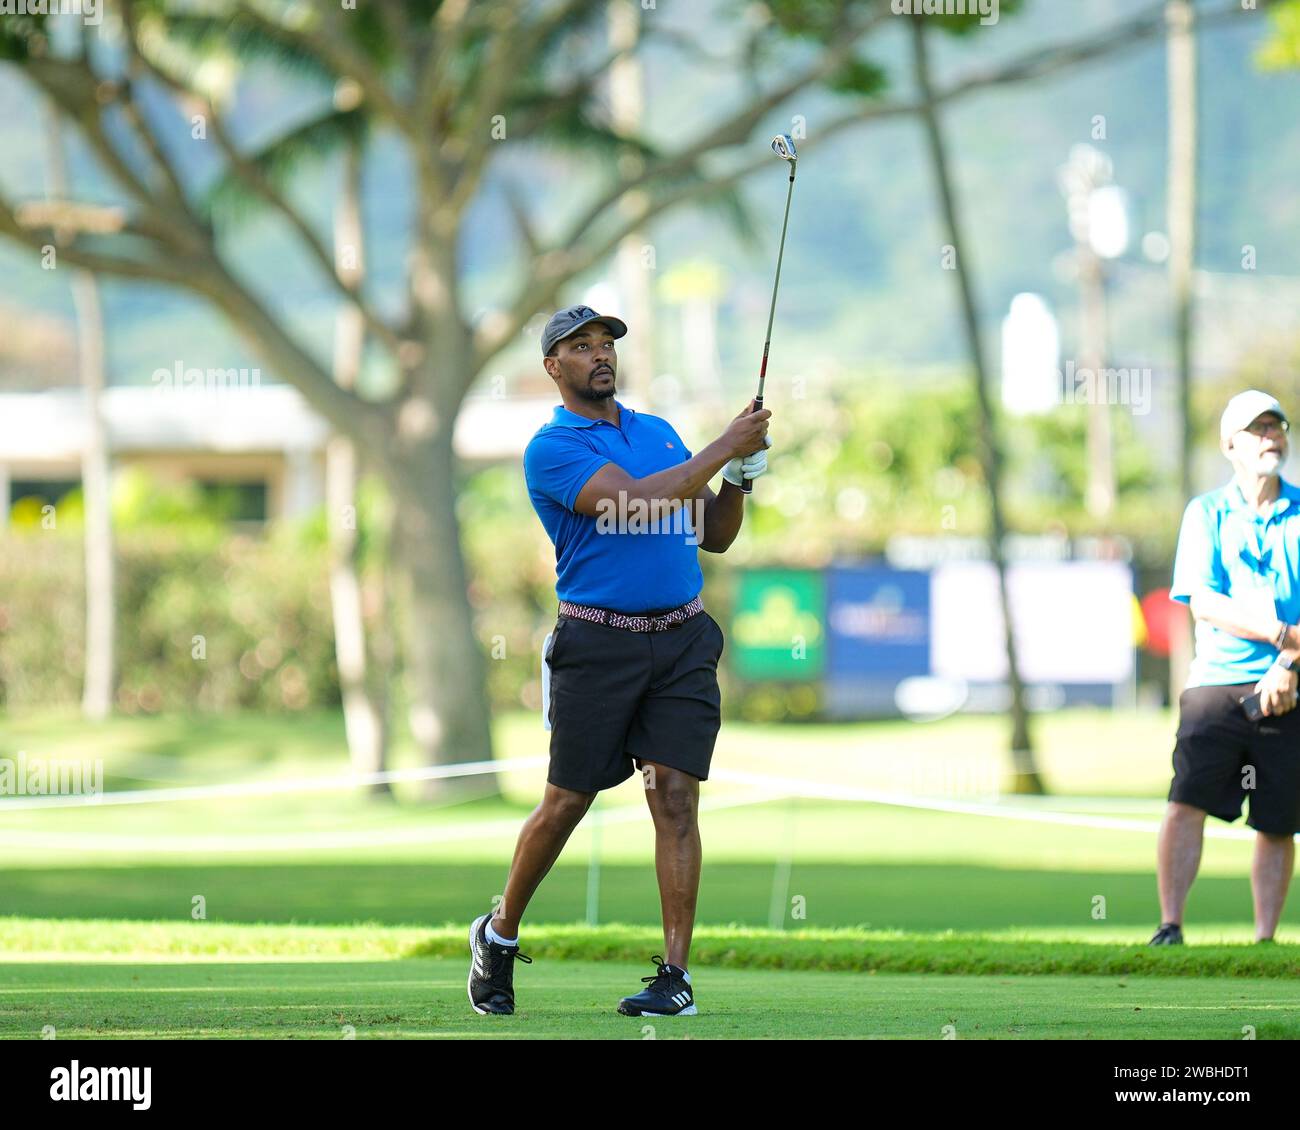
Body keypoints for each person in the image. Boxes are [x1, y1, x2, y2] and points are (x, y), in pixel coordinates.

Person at [468, 303, 772, 1016]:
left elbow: (716, 536)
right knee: (567, 803)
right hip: (598, 645)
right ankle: (500, 932)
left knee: (674, 795)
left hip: (681, 639)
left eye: (606, 343)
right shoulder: (552, 449)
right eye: (581, 345)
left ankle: (674, 976)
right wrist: (723, 448)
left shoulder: (660, 433)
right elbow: (631, 505)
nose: (600, 353)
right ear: (554, 367)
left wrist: (744, 475)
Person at [1154, 389, 1300, 945]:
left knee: (1278, 819)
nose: (1271, 437)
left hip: (1289, 683)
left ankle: (1264, 938)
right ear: (1230, 444)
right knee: (1186, 801)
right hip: (1217, 682)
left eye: (1276, 427)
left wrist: (1287, 662)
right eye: (1258, 430)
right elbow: (1203, 600)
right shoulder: (1206, 512)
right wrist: (1280, 634)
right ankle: (1170, 926)